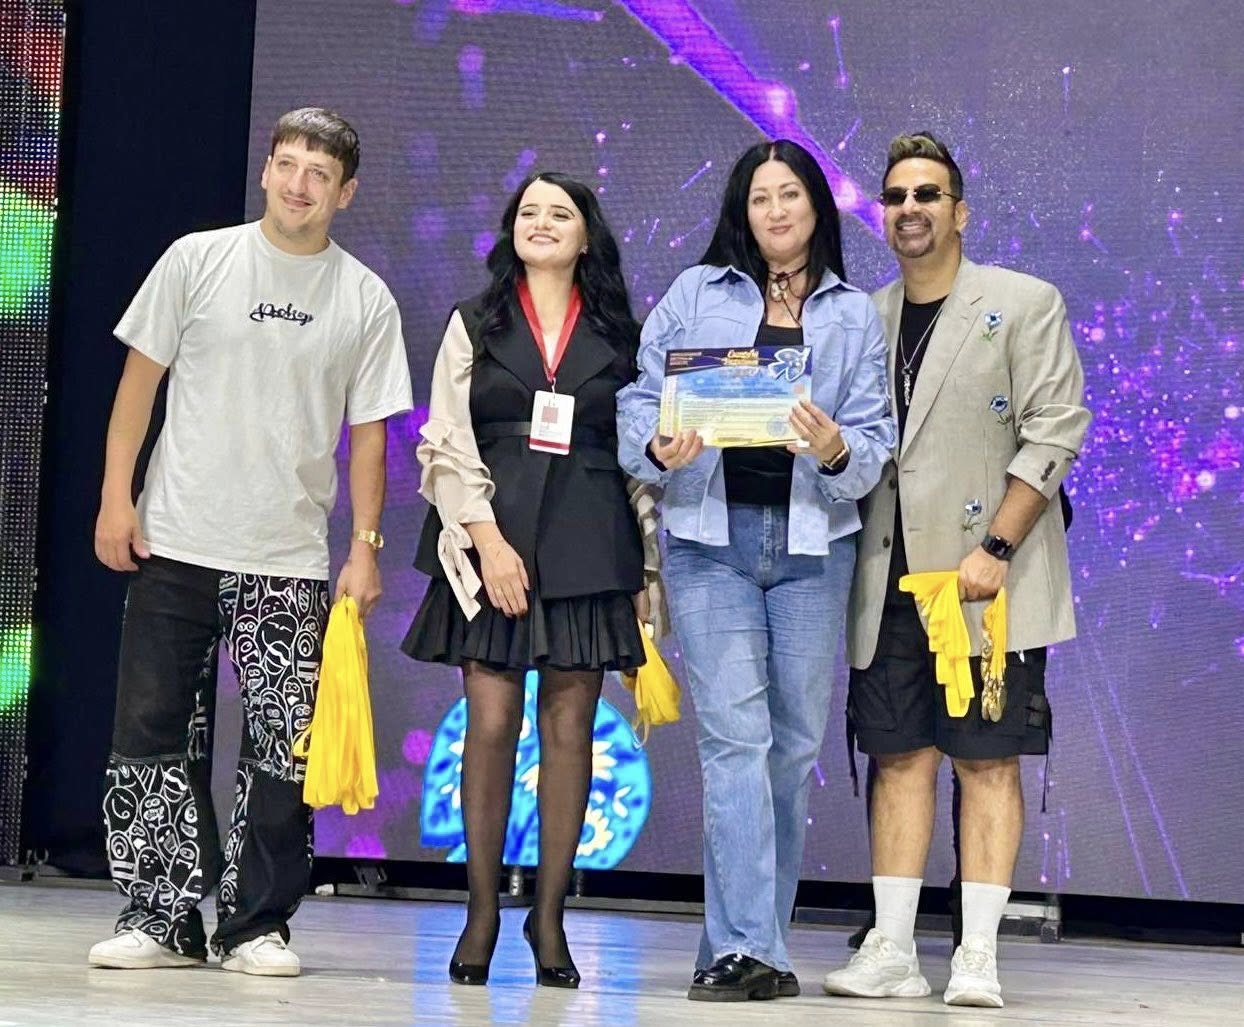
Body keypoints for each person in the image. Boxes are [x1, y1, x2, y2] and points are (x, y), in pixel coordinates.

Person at [87, 108, 413, 977]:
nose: (299, 184)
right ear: (266, 170)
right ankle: (158, 915)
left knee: (281, 747)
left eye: (319, 173)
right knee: (150, 732)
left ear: (345, 193)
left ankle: (254, 924)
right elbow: (137, 389)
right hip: (175, 540)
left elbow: (371, 436)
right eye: (287, 164)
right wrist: (116, 497)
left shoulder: (363, 297)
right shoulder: (197, 259)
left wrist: (365, 545)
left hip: (288, 557)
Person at [617, 140, 894, 1002]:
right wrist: (657, 445)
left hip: (813, 546)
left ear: (815, 206)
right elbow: (636, 401)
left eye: (790, 194)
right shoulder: (697, 293)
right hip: (710, 544)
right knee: (735, 740)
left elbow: (874, 439)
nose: (775, 210)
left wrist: (836, 448)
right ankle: (749, 946)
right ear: (742, 211)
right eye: (760, 197)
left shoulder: (853, 314)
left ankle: (743, 946)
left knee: (791, 748)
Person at [823, 132, 1090, 1008]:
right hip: (887, 577)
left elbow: (1054, 430)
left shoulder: (1021, 301)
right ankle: (892, 949)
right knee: (897, 756)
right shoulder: (862, 316)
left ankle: (976, 954)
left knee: (985, 760)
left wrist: (997, 548)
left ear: (959, 211)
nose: (909, 209)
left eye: (926, 194)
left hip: (984, 577)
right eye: (895, 196)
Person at [401, 172, 647, 989]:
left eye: (560, 213)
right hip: (490, 536)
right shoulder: (475, 322)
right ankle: (480, 912)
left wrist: (646, 564)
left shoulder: (619, 332)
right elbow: (444, 439)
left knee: (571, 729)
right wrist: (486, 542)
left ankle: (549, 917)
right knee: (492, 722)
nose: (542, 223)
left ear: (586, 236)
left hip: (588, 539)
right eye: (529, 212)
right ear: (510, 228)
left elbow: (637, 454)